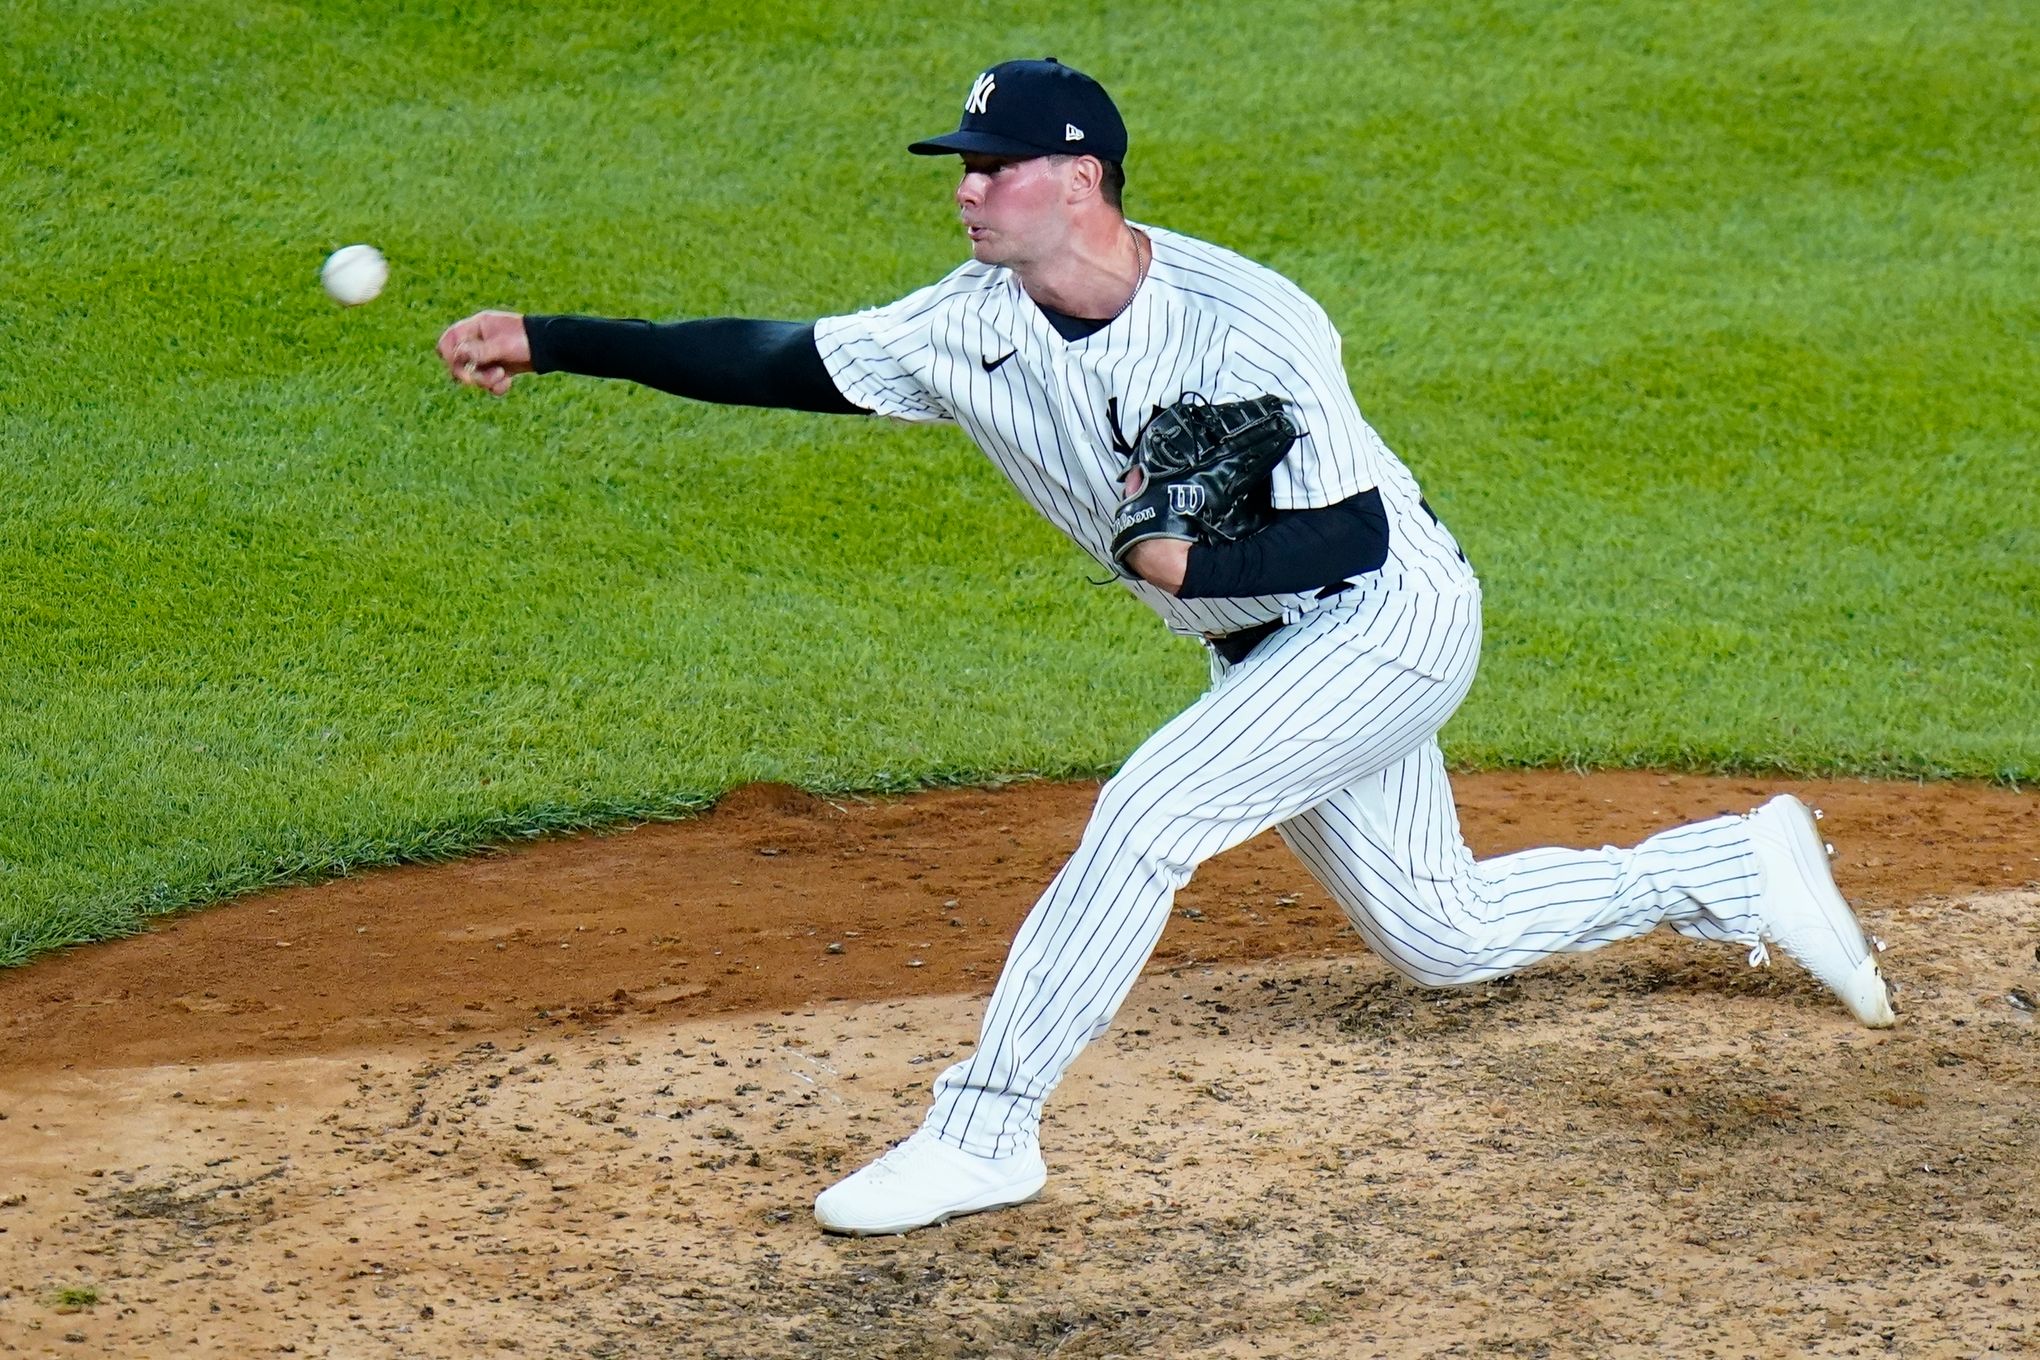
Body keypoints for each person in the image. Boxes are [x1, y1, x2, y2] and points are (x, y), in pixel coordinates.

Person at [436, 57, 1895, 1238]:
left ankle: (984, 1130)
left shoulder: (1249, 323)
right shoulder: (971, 322)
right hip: (1267, 659)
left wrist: (1185, 558)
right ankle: (1720, 867)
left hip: (1384, 624)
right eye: (960, 165)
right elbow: (781, 359)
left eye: (991, 164)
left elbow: (1359, 542)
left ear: (1080, 177)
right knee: (1440, 938)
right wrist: (557, 338)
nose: (967, 188)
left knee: (1149, 815)